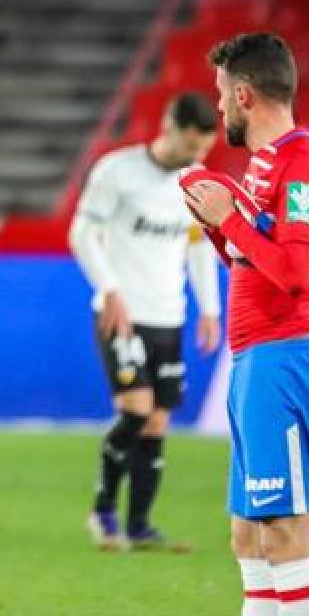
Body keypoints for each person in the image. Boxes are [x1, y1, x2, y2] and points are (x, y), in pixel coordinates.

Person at [182, 33, 309, 616]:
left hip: (286, 360)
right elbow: (252, 252)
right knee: (249, 538)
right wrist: (220, 226)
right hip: (254, 363)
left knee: (287, 536)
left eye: (221, 95)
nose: (219, 107)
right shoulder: (264, 166)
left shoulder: (304, 162)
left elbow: (296, 274)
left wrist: (230, 218)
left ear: (245, 94)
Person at [70, 92, 223, 551]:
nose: (194, 157)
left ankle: (139, 526)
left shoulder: (195, 182)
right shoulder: (118, 172)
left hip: (168, 317)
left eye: (203, 150)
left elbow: (197, 246)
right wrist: (109, 288)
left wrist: (210, 308)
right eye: (189, 146)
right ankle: (101, 512)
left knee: (157, 423)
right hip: (123, 314)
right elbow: (81, 232)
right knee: (135, 410)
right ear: (168, 126)